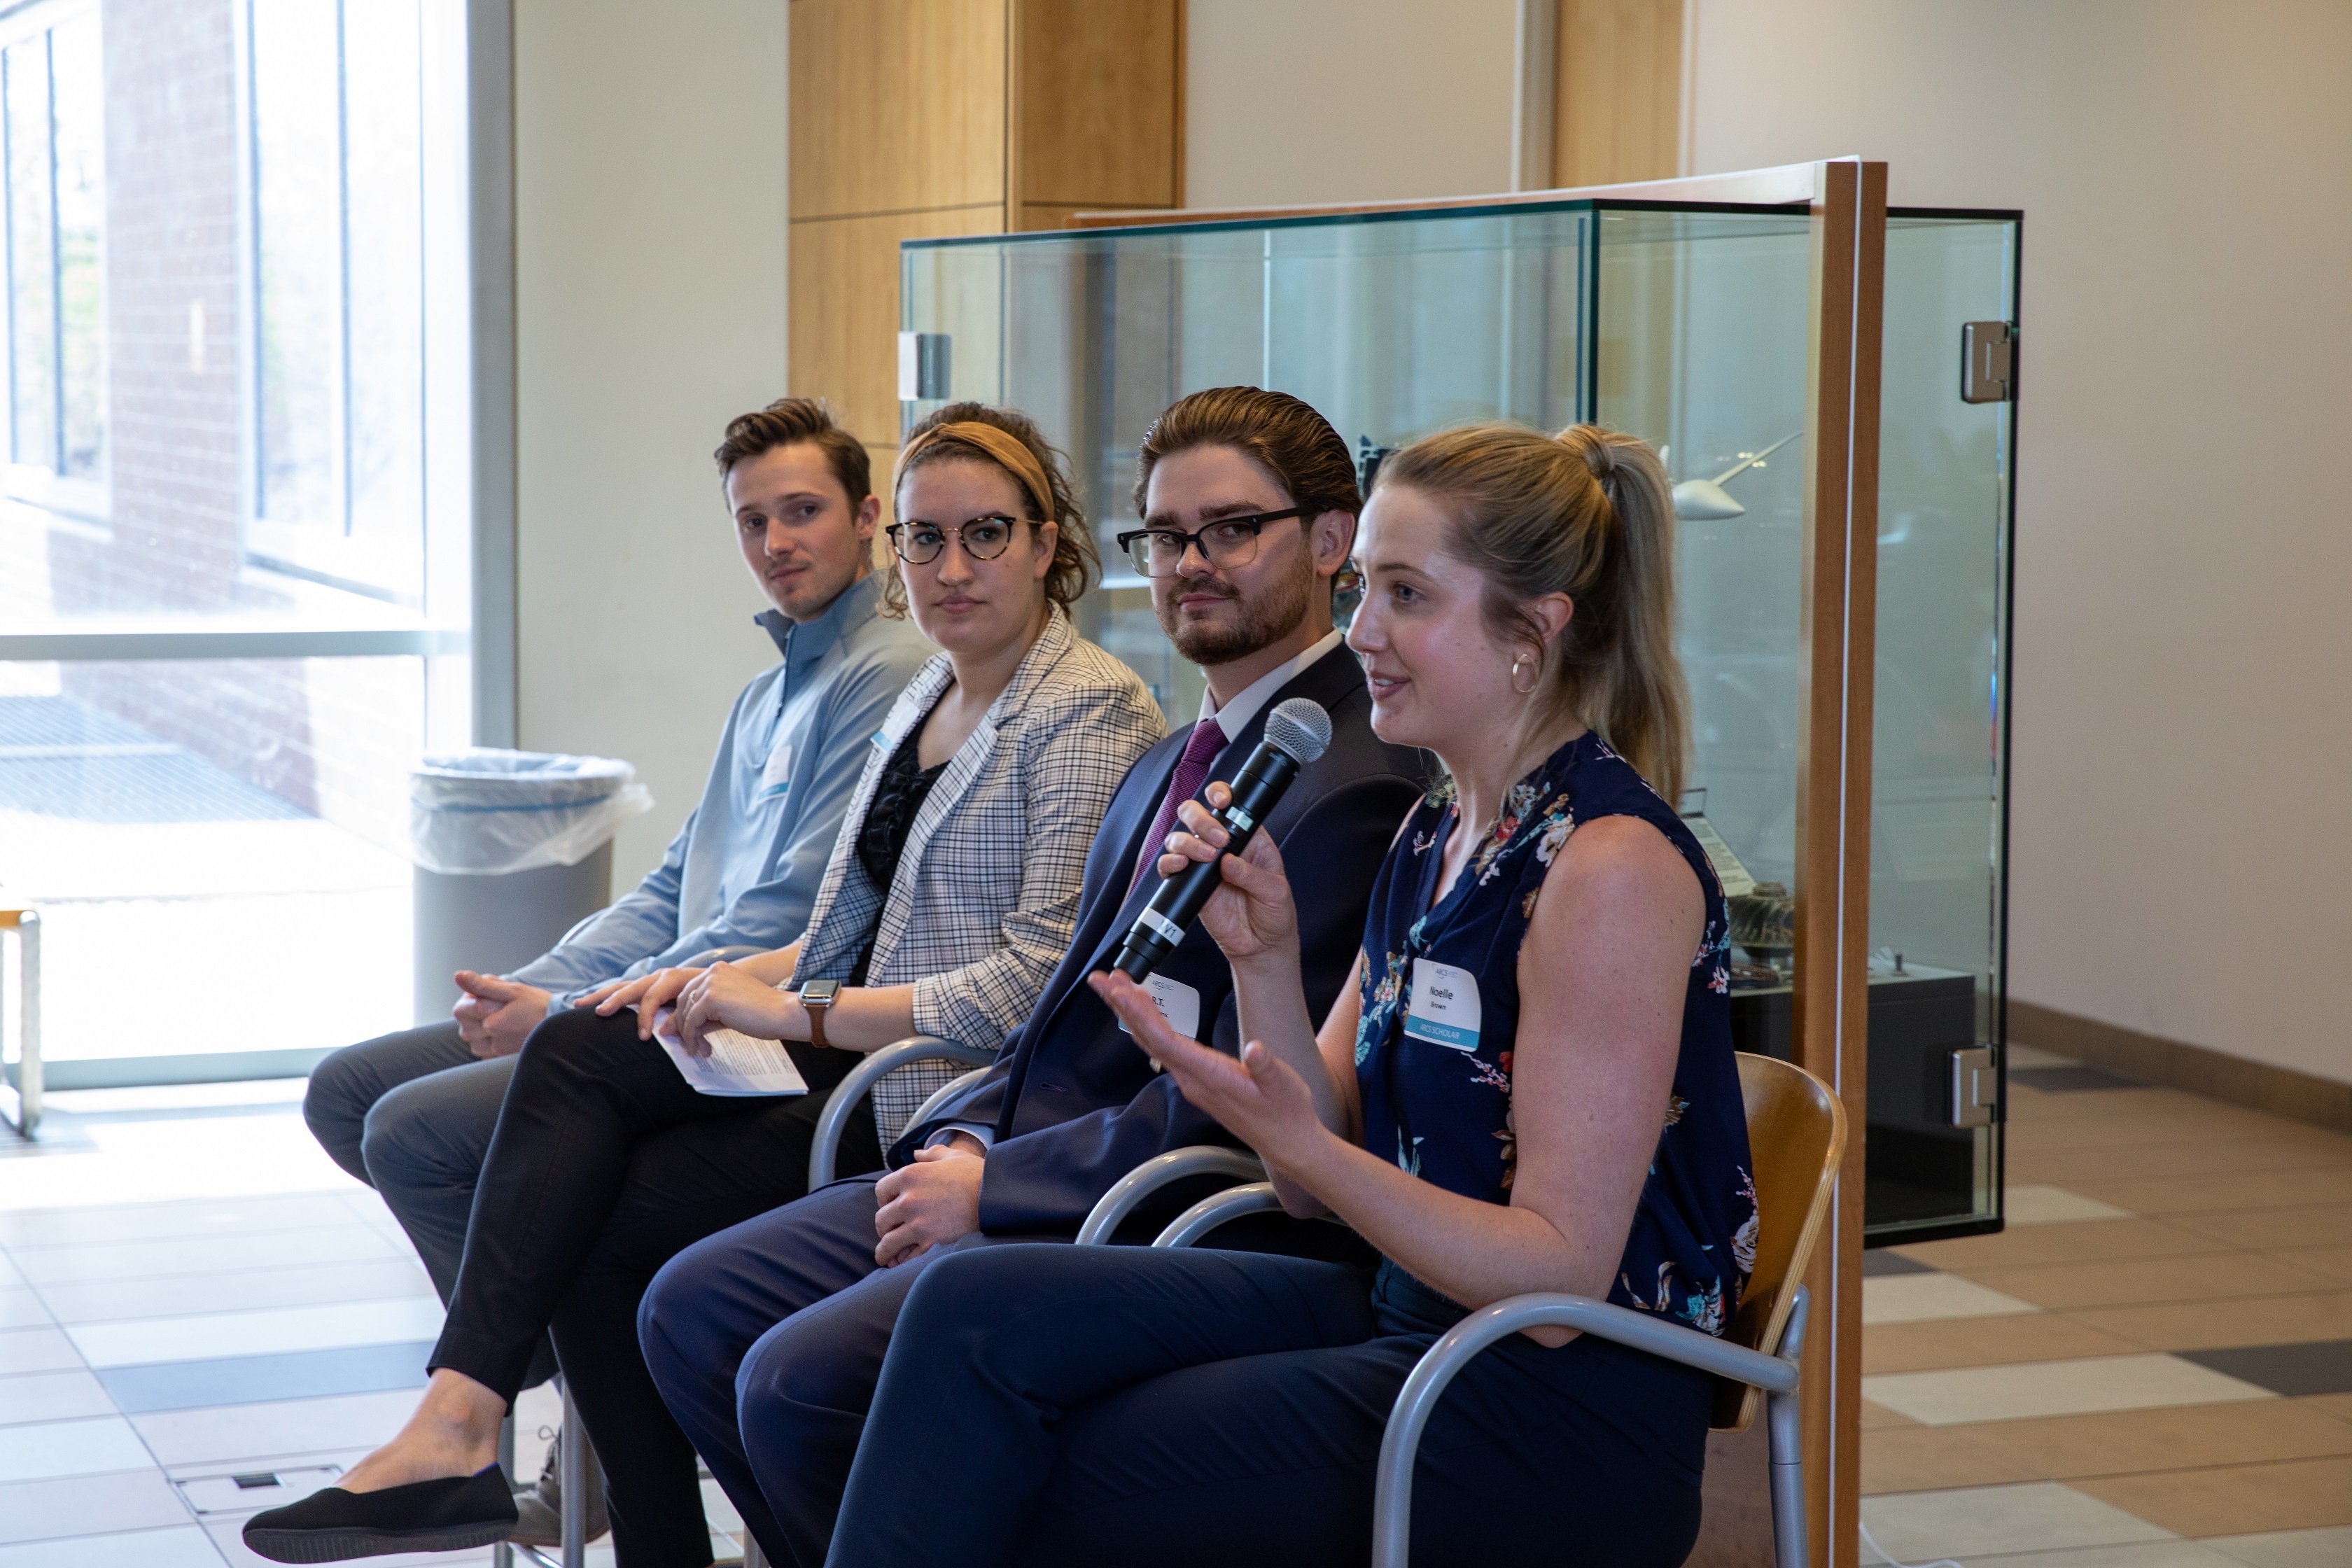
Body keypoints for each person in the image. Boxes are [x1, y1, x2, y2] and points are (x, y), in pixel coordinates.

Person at [811, 422, 1760, 1568]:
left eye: (1406, 595)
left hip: (1548, 1405)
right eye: (1365, 589)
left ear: (1534, 630)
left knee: (1045, 1475)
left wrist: (1298, 1144)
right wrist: (1264, 964)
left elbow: (1556, 1279)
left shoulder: (1607, 868)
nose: (1361, 632)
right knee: (967, 1314)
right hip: (1419, 1315)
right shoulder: (1438, 829)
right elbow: (1310, 1185)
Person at [242, 404, 1164, 1566]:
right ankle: (527, 1467)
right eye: (926, 540)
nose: (951, 567)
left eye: (985, 533)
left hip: (933, 1096)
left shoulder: (1087, 705)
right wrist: (707, 982)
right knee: (590, 1132)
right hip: (845, 1050)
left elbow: (1032, 985)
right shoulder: (930, 690)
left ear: (1045, 542)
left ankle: (464, 1425)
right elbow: (839, 924)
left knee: (571, 1110)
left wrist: (785, 1006)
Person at [637, 387, 1429, 1567]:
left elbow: (1243, 1094)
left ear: (1330, 543)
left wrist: (997, 1185)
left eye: (1230, 530)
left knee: (797, 1382)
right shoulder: (1179, 753)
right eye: (1167, 536)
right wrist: (965, 1136)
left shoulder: (1353, 780)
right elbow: (1065, 1012)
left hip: (1149, 1203)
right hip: (1021, 1140)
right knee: (690, 1309)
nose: (1191, 564)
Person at [298, 396, 931, 1536]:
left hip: (749, 1025)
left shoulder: (884, 676)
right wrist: (537, 984)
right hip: (652, 1003)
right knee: (349, 1090)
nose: (777, 541)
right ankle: (549, 1360)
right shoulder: (768, 692)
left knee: (414, 1132)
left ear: (867, 516)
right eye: (753, 520)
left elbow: (791, 915)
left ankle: (516, 1382)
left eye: (802, 512)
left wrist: (568, 1011)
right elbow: (673, 884)